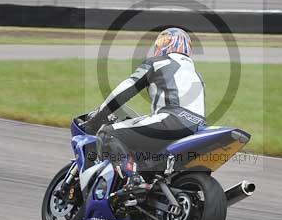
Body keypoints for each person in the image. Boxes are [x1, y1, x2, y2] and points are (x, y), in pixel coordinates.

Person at [82, 27, 206, 193]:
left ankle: (133, 180)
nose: (160, 45)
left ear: (171, 44)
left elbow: (127, 88)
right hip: (197, 128)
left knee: (108, 134)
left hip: (170, 120)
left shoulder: (158, 62)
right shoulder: (197, 75)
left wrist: (100, 114)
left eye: (164, 41)